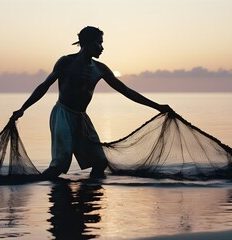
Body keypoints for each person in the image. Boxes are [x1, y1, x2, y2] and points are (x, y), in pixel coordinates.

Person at [12, 26, 172, 179]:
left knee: (100, 162)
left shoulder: (100, 68)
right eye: (99, 42)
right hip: (62, 114)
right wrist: (23, 108)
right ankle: (46, 191)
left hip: (82, 118)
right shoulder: (66, 62)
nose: (102, 47)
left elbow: (126, 91)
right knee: (59, 165)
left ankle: (89, 195)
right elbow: (44, 86)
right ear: (87, 43)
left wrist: (157, 107)